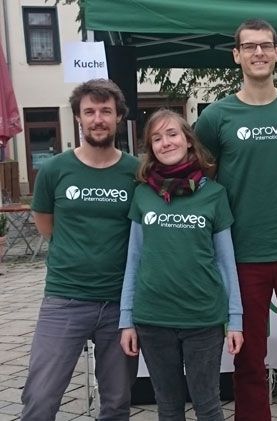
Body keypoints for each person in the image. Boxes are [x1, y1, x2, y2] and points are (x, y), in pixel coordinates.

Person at [194, 18, 277, 421]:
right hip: (242, 254)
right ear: (236, 55)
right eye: (249, 46)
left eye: (265, 46)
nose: (258, 53)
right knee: (248, 358)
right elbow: (206, 182)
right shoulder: (216, 117)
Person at [21, 79, 139, 420]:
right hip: (64, 299)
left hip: (119, 305)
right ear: (78, 118)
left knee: (117, 402)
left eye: (106, 111)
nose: (97, 118)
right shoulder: (55, 170)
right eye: (89, 111)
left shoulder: (135, 172)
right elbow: (46, 224)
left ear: (119, 118)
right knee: (41, 399)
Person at [118, 109, 243, 420]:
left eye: (172, 134)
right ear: (151, 148)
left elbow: (227, 262)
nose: (165, 142)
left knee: (208, 406)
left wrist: (235, 320)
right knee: (169, 407)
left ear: (188, 140)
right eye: (156, 138)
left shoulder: (214, 194)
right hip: (153, 318)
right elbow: (133, 259)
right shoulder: (143, 194)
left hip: (203, 318)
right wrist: (126, 319)